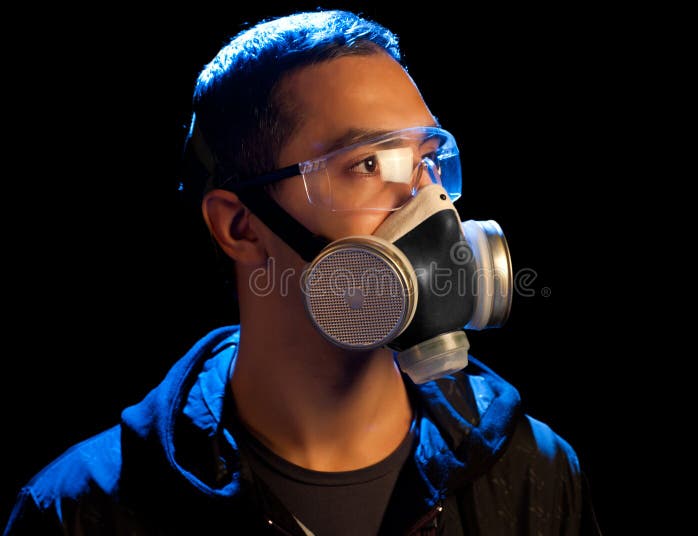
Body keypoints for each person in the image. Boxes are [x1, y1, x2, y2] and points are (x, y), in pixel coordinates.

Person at [4, 10, 600, 535]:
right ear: (241, 226)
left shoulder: (535, 475)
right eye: (369, 163)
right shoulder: (82, 512)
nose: (430, 205)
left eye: (426, 161)